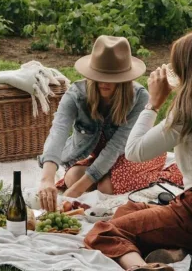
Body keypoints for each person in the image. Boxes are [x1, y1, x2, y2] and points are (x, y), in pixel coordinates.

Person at [84, 30, 192, 271]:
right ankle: (176, 249)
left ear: (186, 71)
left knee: (103, 231)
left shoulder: (187, 116)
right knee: (128, 210)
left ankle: (139, 266)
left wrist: (153, 103)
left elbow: (133, 152)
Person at [38, 35, 181, 212]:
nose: (104, 82)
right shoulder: (76, 95)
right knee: (72, 178)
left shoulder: (138, 97)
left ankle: (166, 174)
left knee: (106, 186)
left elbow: (116, 147)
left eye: (112, 78)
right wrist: (47, 179)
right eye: (99, 75)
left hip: (133, 153)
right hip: (101, 157)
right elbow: (58, 132)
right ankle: (103, 175)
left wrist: (75, 192)